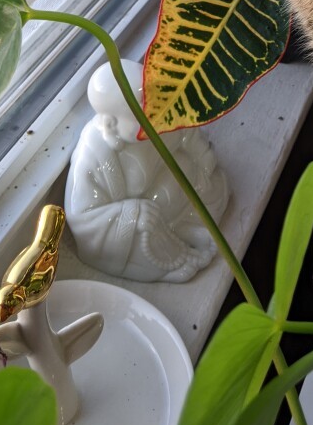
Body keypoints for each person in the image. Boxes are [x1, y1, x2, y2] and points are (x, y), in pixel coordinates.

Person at [65, 61, 229, 282]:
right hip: (146, 217)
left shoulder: (162, 115)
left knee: (193, 172)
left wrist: (203, 158)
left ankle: (185, 224)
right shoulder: (94, 153)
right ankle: (169, 249)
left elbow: (188, 137)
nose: (155, 115)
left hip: (173, 193)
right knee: (144, 221)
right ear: (111, 123)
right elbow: (83, 219)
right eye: (141, 114)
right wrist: (130, 213)